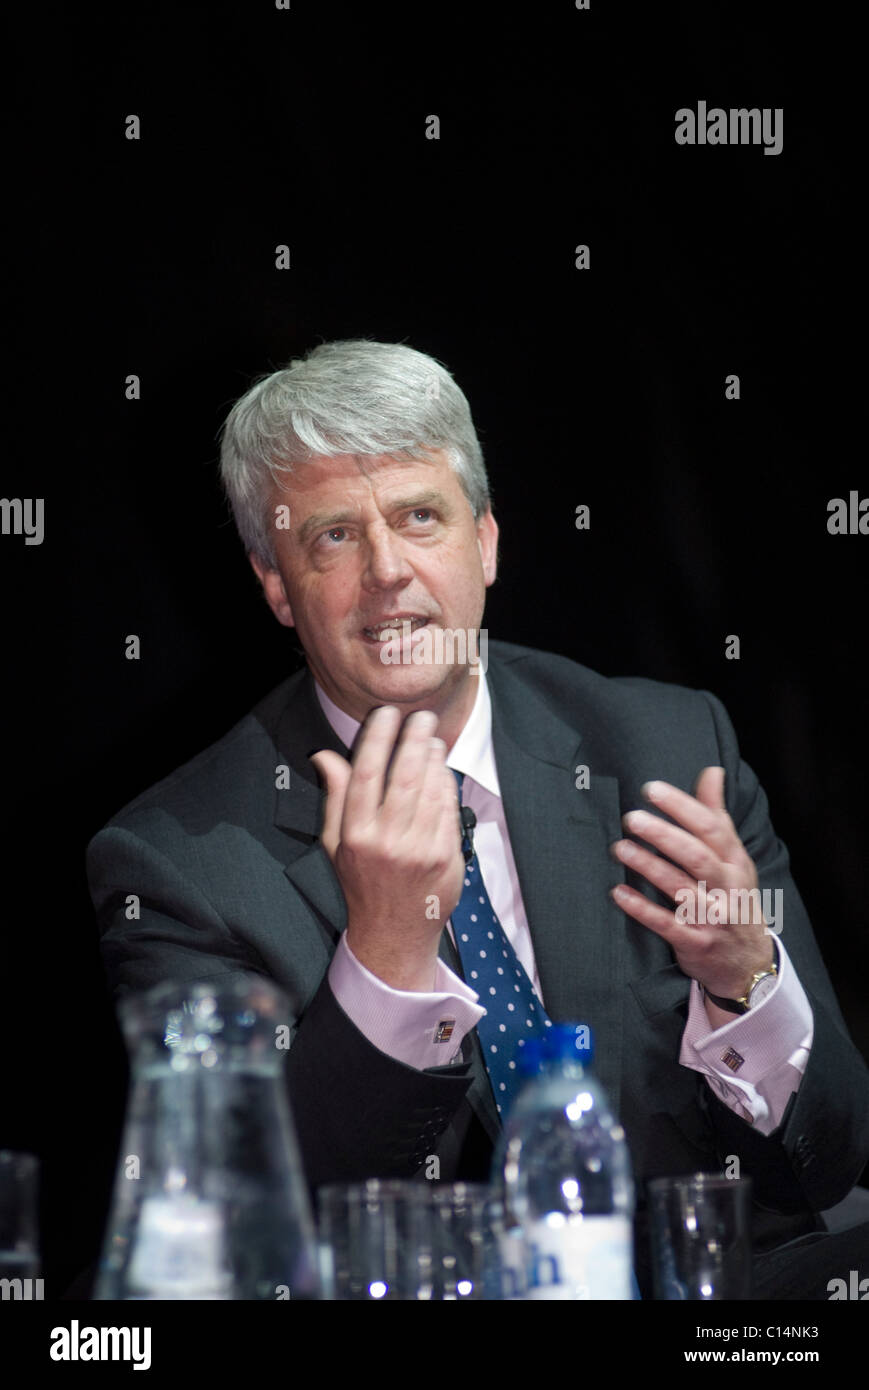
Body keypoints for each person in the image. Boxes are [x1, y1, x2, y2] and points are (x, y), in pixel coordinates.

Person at [87, 339, 869, 1297]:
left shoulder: (666, 747)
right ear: (276, 586)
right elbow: (244, 1246)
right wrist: (384, 956)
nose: (386, 571)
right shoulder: (174, 862)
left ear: (486, 541)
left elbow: (829, 1161)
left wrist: (748, 982)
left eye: (420, 517)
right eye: (333, 535)